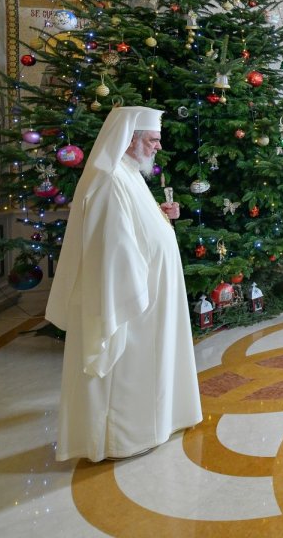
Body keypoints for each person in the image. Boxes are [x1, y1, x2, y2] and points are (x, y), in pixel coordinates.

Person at [45, 106, 201, 461]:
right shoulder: (111, 179)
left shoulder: (129, 173)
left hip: (149, 298)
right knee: (129, 372)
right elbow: (113, 246)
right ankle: (122, 437)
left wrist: (161, 219)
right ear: (129, 140)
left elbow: (135, 226)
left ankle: (153, 424)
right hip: (131, 300)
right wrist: (137, 289)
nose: (158, 147)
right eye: (152, 140)